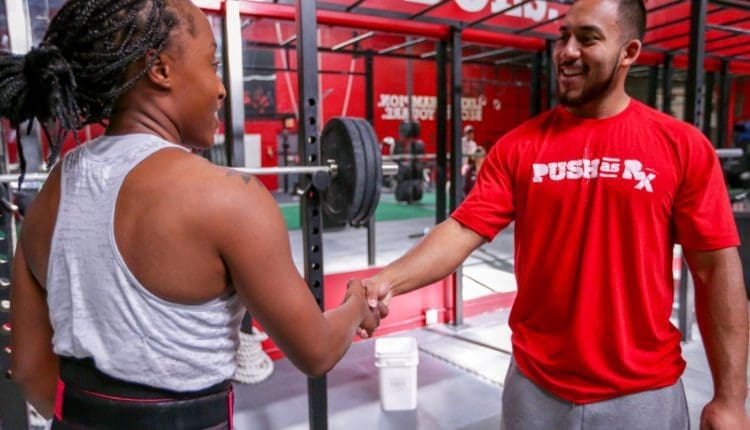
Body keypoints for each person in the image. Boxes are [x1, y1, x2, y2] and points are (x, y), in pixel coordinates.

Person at [361, 0, 750, 429]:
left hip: (642, 394)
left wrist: (730, 399)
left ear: (629, 52)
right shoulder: (519, 147)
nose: (567, 51)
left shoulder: (682, 146)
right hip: (536, 389)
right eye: (564, 36)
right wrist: (386, 281)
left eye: (588, 39)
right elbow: (460, 230)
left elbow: (716, 269)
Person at [1, 1, 381, 428]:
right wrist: (356, 304)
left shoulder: (51, 193)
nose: (220, 89)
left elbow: (28, 368)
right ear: (159, 69)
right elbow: (317, 351)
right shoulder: (230, 199)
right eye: (212, 65)